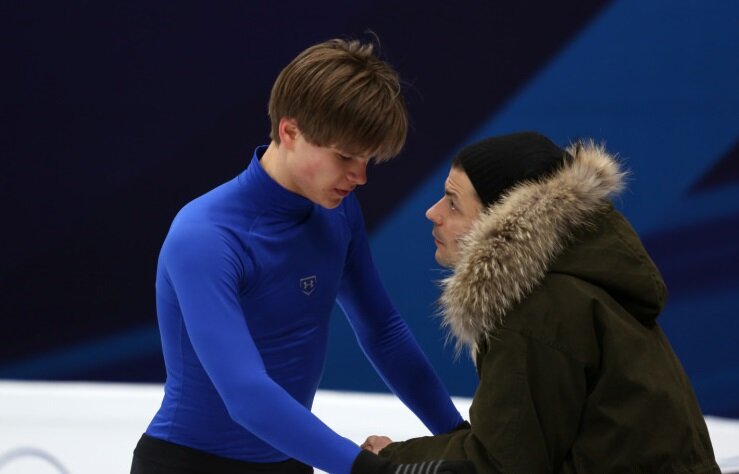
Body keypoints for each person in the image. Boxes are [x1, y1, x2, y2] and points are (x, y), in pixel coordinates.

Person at [130, 38, 475, 474]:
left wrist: (456, 438)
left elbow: (383, 331)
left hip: (292, 462)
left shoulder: (338, 208)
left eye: (368, 160)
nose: (360, 176)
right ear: (289, 131)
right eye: (345, 156)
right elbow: (246, 394)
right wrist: (371, 470)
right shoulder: (205, 236)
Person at [362, 132, 720, 473]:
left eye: (454, 204)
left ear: (502, 224)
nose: (433, 212)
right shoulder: (578, 287)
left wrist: (390, 460)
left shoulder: (537, 310)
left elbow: (500, 466)